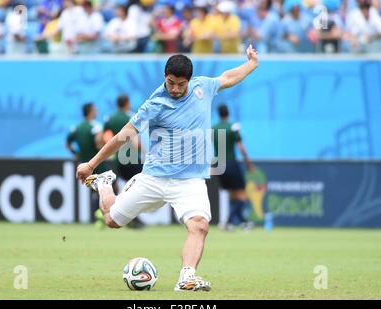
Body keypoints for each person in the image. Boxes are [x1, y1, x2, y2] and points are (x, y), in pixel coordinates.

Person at [76, 46, 259, 291]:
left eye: (180, 84)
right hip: (154, 178)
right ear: (165, 75)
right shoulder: (154, 104)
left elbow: (227, 78)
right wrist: (91, 164)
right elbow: (123, 136)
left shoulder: (203, 87)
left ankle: (187, 277)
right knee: (111, 220)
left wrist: (251, 64)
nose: (174, 88)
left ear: (190, 81)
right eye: (171, 82)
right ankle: (104, 183)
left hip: (190, 181)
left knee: (199, 225)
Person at [103, 94, 145, 229]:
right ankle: (131, 218)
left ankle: (124, 216)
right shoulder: (130, 117)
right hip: (131, 158)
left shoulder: (110, 118)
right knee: (136, 187)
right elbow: (135, 142)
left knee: (125, 187)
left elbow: (103, 137)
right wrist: (144, 152)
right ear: (127, 103)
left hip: (118, 159)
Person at [212, 104, 255, 232]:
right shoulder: (233, 127)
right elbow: (241, 148)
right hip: (230, 163)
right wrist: (248, 163)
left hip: (219, 165)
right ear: (228, 113)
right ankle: (229, 221)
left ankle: (242, 222)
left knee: (233, 193)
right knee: (241, 193)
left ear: (218, 114)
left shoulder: (213, 128)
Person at [67, 103, 108, 216]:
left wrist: (77, 154)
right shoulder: (96, 127)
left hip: (84, 164)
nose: (97, 111)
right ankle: (101, 215)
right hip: (97, 164)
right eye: (95, 109)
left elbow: (67, 144)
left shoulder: (77, 128)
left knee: (94, 190)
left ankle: (96, 216)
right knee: (106, 188)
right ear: (90, 111)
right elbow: (99, 144)